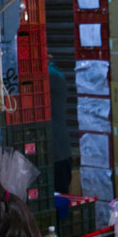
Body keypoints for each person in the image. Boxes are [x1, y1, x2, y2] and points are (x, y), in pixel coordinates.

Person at [48, 59, 72, 195]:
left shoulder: (52, 75)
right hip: (59, 152)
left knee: (60, 197)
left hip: (58, 154)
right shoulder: (53, 72)